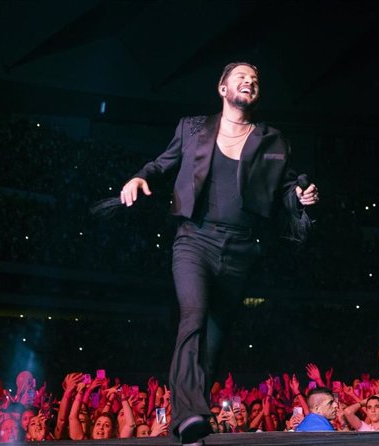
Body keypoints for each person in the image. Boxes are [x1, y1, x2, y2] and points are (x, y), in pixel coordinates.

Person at [120, 61, 319, 445]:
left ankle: (189, 418)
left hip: (243, 248)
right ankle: (192, 415)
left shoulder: (273, 140)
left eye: (256, 80)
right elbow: (163, 162)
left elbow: (286, 187)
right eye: (241, 77)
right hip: (195, 239)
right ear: (223, 89)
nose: (249, 82)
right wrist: (141, 176)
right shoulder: (192, 127)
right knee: (192, 315)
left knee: (214, 336)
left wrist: (300, 195)